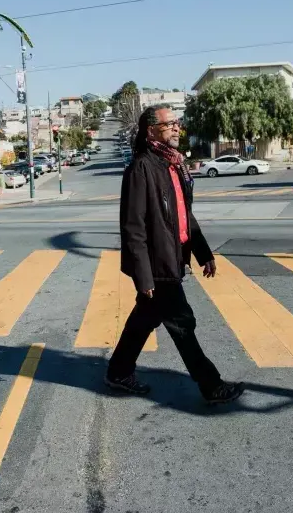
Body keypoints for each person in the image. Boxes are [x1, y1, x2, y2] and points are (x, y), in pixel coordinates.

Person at [105, 105, 245, 405]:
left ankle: (118, 372)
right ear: (151, 130)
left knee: (144, 319)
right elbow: (133, 227)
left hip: (172, 257)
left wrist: (203, 252)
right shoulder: (142, 167)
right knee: (182, 323)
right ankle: (212, 386)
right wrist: (143, 275)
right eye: (170, 124)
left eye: (177, 123)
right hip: (157, 264)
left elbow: (184, 217)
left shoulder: (172, 165)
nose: (177, 128)